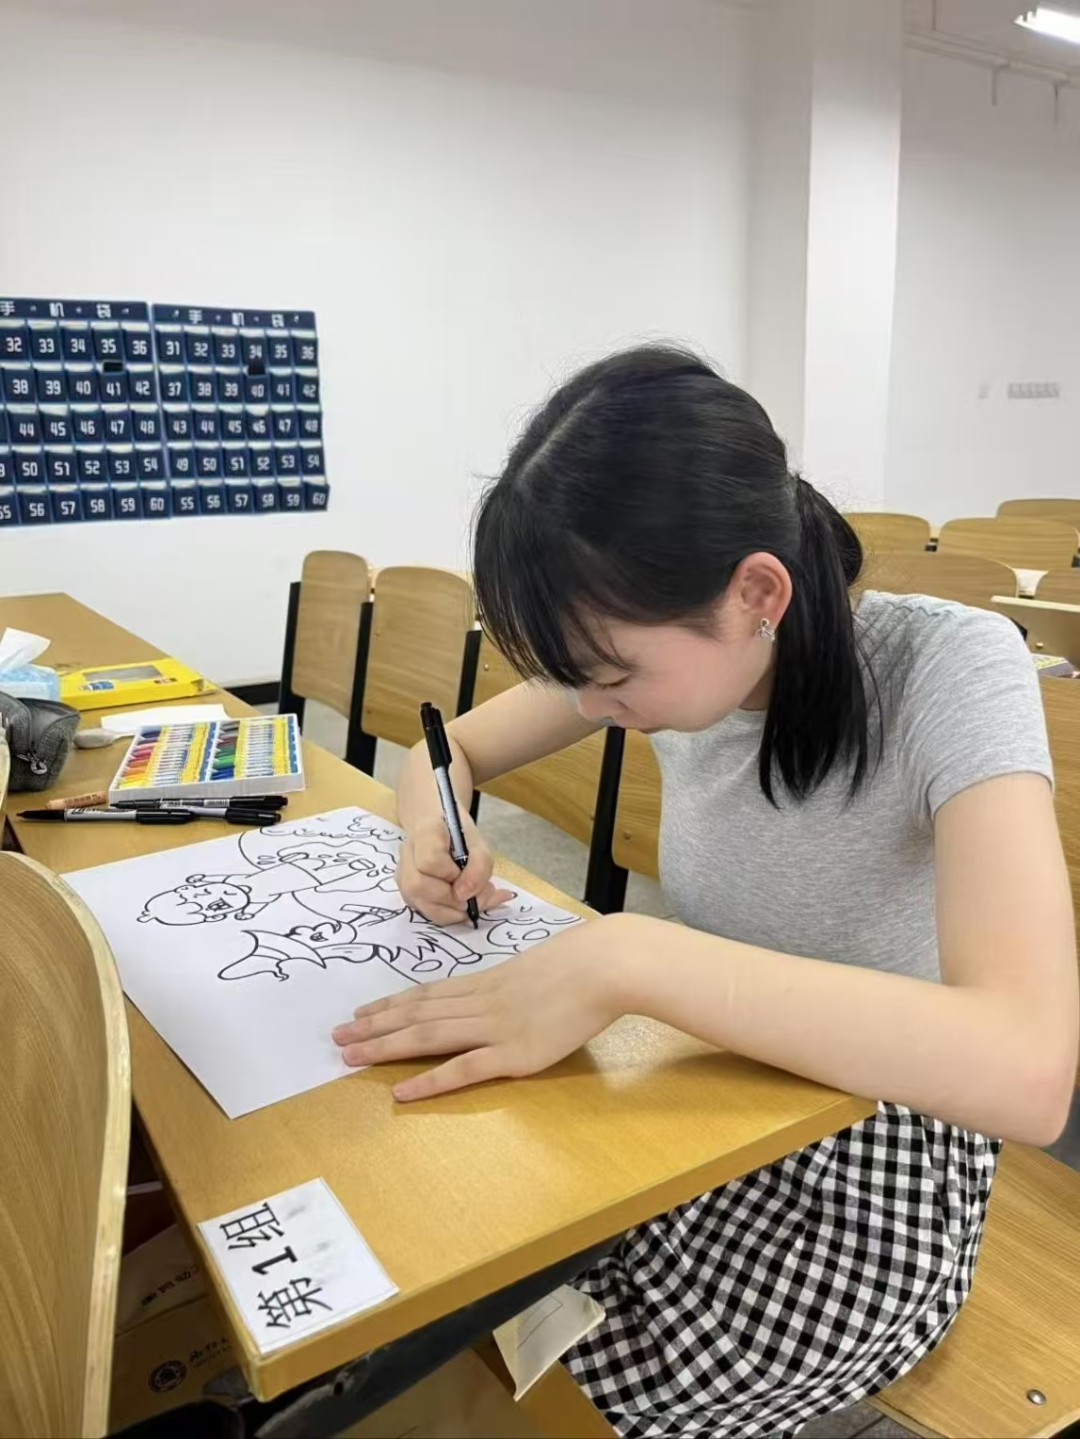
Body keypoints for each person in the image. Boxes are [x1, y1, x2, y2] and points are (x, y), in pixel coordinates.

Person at [331, 347, 1078, 1438]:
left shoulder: (953, 666)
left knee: (561, 1383)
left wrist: (633, 956)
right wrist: (431, 829)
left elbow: (1029, 1069)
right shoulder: (659, 649)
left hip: (876, 1154)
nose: (591, 705)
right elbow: (447, 753)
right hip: (706, 1080)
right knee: (456, 1276)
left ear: (756, 594)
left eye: (610, 677)